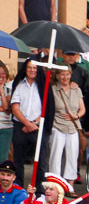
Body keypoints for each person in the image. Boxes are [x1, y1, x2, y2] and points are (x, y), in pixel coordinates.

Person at [11, 60, 52, 192]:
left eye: (35, 68)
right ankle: (18, 188)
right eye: (29, 68)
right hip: (21, 126)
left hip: (38, 127)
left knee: (41, 161)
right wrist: (27, 123)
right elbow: (15, 107)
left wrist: (33, 124)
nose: (32, 70)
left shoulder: (44, 86)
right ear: (25, 69)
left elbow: (48, 108)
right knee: (18, 160)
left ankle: (39, 190)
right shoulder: (19, 85)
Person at [48, 67, 84, 186]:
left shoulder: (76, 89)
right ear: (57, 76)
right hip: (57, 124)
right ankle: (55, 183)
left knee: (72, 155)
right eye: (62, 74)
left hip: (73, 126)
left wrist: (76, 116)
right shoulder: (53, 89)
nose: (65, 77)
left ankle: (70, 184)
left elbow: (83, 109)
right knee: (55, 155)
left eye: (67, 74)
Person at [0, 63, 12, 166]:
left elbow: (7, 108)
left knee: (3, 159)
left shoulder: (9, 90)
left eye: (3, 73)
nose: (1, 76)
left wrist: (1, 91)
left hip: (6, 129)